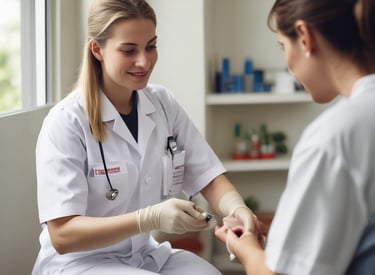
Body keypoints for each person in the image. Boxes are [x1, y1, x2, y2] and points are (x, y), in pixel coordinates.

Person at [31, 0, 260, 274]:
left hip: (143, 254)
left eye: (151, 46)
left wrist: (236, 208)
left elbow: (207, 174)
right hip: (80, 262)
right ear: (97, 50)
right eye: (129, 50)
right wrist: (147, 218)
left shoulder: (163, 104)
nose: (144, 61)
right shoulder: (66, 123)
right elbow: (62, 235)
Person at [215, 0, 375, 274]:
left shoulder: (335, 137)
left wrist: (247, 248)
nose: (288, 64)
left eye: (282, 46)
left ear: (304, 36)